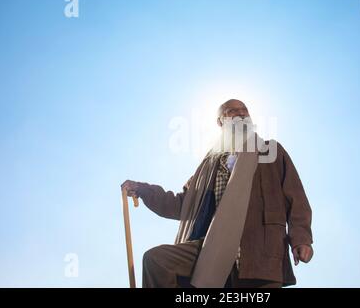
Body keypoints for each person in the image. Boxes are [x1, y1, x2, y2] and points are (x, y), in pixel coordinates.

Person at [121, 99, 313, 288]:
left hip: (259, 250)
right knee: (157, 260)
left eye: (244, 109)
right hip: (211, 248)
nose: (240, 113)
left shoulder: (271, 151)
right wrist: (142, 189)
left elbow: (296, 199)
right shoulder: (209, 165)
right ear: (220, 122)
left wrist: (301, 239)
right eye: (231, 110)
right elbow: (181, 204)